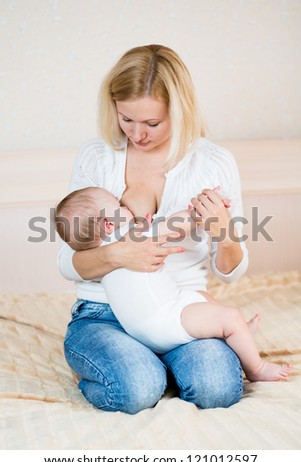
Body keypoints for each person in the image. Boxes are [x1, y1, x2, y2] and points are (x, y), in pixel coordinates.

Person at [57, 44, 256, 414]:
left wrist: (224, 231)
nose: (137, 134)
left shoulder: (213, 163)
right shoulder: (96, 157)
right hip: (105, 313)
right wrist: (118, 254)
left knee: (217, 390)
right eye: (126, 119)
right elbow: (68, 262)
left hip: (181, 309)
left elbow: (230, 273)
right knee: (136, 389)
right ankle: (142, 367)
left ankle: (152, 360)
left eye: (152, 123)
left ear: (180, 112)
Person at [55, 186, 291, 382]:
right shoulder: (127, 238)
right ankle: (256, 368)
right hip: (163, 321)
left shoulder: (104, 248)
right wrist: (197, 213)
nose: (125, 207)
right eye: (119, 206)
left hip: (159, 312)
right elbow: (172, 226)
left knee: (203, 298)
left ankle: (237, 336)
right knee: (231, 317)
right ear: (108, 224)